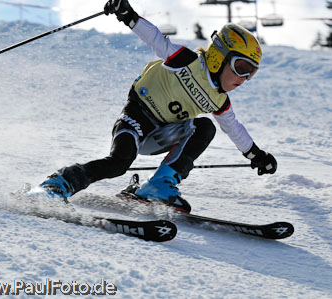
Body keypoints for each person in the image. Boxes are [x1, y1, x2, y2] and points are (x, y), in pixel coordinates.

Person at [26, 0, 277, 213]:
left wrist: (256, 155)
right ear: (218, 56)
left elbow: (235, 129)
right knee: (118, 163)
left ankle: (159, 185)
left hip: (163, 134)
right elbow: (156, 39)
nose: (243, 79)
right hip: (137, 117)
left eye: (250, 74)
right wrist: (129, 16)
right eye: (241, 68)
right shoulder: (186, 61)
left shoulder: (220, 100)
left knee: (205, 127)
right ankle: (57, 184)